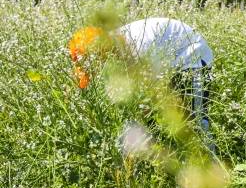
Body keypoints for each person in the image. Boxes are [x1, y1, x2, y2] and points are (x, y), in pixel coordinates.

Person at [68, 17, 215, 147]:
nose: (95, 70)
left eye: (93, 64)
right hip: (167, 62)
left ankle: (212, 167)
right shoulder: (113, 49)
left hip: (192, 57)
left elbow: (155, 92)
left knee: (196, 122)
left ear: (100, 51)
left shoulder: (139, 46)